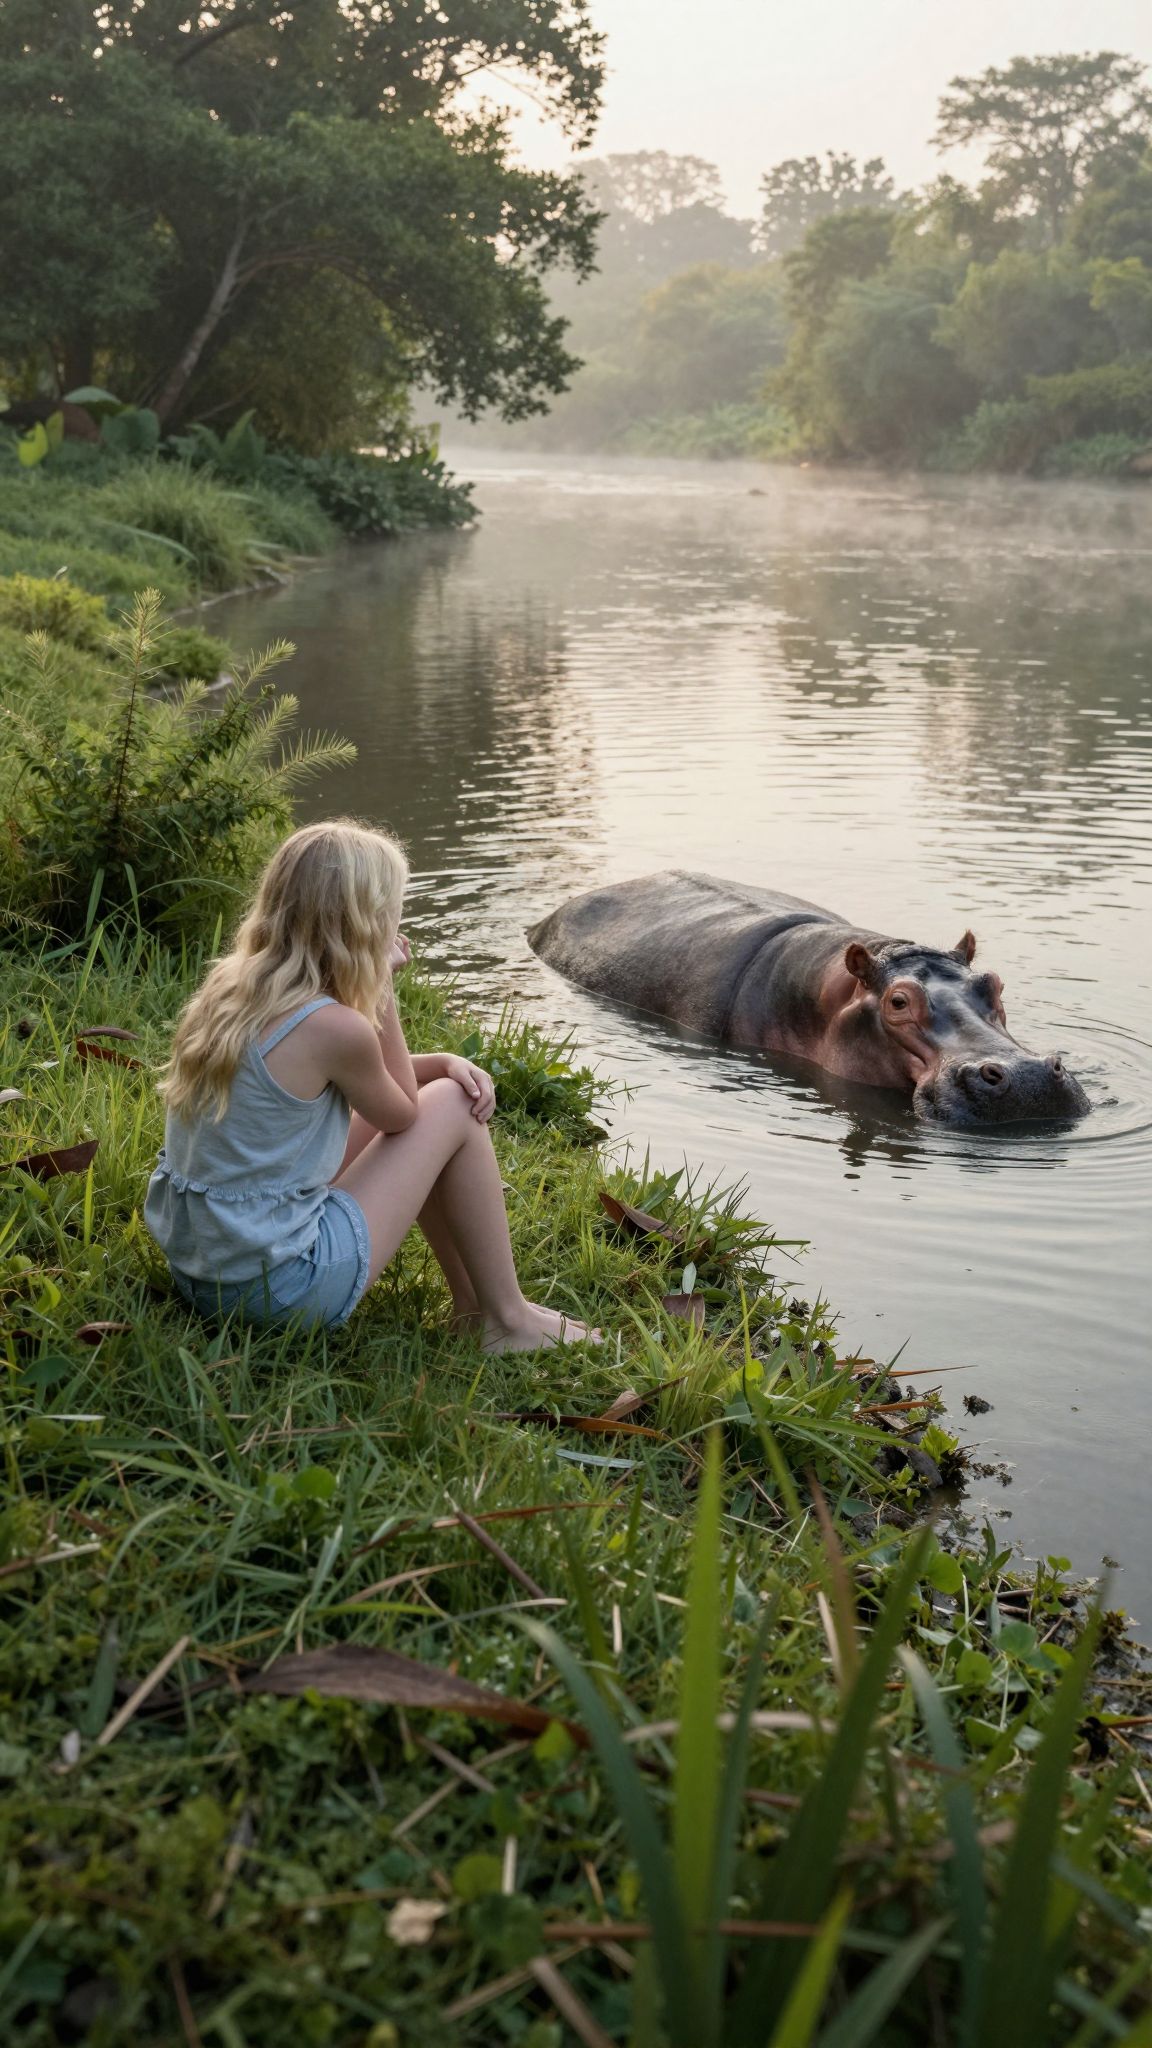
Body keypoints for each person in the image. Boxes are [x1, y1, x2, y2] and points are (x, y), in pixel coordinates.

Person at [144, 819, 599, 1350]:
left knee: (442, 1092)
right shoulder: (337, 1029)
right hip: (278, 1291)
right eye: (393, 911)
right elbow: (404, 1114)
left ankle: (478, 1308)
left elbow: (365, 1077)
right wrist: (382, 989)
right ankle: (504, 1318)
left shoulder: (230, 989)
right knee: (451, 1105)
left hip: (203, 1273)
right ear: (365, 924)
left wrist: (444, 1060)